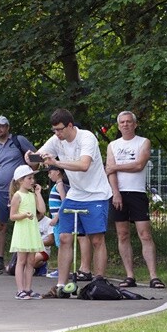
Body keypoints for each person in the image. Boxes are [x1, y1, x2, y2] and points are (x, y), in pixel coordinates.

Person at [32, 109, 112, 298]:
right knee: (65, 238)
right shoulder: (56, 140)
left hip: (96, 193)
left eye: (59, 130)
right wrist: (32, 157)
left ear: (70, 125)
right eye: (54, 131)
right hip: (75, 194)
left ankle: (99, 282)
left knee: (96, 239)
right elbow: (37, 158)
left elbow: (84, 165)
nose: (57, 134)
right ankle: (61, 284)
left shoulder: (87, 138)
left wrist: (57, 163)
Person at [106, 111, 164, 290]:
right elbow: (110, 171)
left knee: (145, 234)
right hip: (119, 193)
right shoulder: (112, 145)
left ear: (135, 124)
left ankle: (154, 276)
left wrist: (115, 166)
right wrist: (115, 192)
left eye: (128, 122)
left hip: (137, 193)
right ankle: (129, 275)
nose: (125, 124)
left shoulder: (143, 142)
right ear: (118, 125)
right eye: (122, 122)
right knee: (123, 234)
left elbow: (139, 165)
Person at [0, 115, 36, 273]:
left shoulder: (18, 140)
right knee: (0, 225)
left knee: (22, 222)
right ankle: (0, 260)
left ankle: (20, 260)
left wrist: (31, 164)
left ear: (8, 127)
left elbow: (36, 158)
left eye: (1, 126)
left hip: (20, 190)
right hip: (0, 190)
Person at [9, 165, 46, 299]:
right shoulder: (17, 196)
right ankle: (20, 290)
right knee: (21, 261)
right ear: (20, 180)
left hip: (32, 230)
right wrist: (24, 215)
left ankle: (28, 288)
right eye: (29, 178)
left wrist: (38, 193)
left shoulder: (32, 195)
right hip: (22, 231)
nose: (32, 181)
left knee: (31, 261)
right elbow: (12, 216)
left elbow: (41, 210)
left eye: (32, 178)